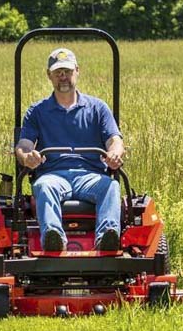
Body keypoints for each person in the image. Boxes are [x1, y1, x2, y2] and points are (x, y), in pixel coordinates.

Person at [15, 47, 125, 252]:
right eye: (57, 72)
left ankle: (107, 238)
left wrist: (115, 152)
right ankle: (53, 237)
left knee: (111, 186)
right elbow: (24, 146)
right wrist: (27, 157)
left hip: (90, 176)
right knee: (43, 186)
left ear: (77, 70)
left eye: (66, 71)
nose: (63, 76)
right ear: (49, 76)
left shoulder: (97, 108)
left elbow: (114, 139)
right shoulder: (37, 111)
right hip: (53, 175)